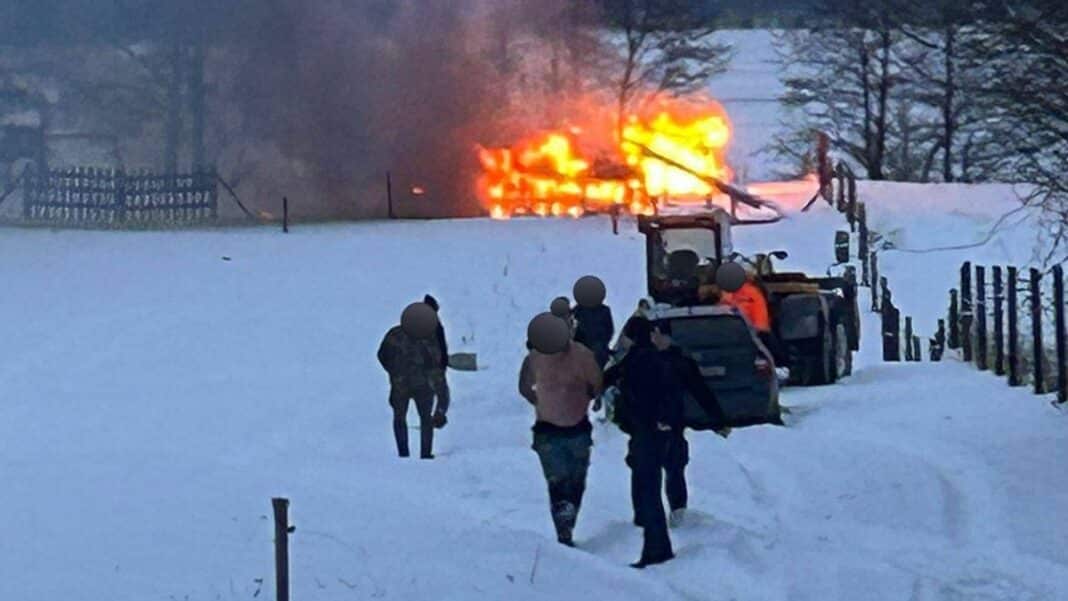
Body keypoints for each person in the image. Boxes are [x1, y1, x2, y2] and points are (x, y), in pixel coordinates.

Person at [604, 316, 728, 569]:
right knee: (654, 478)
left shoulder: (640, 360)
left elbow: (637, 391)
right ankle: (657, 526)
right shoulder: (649, 359)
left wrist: (660, 419)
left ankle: (658, 544)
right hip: (655, 430)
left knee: (652, 484)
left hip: (651, 431)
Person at [519, 316, 603, 547]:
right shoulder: (537, 357)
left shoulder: (581, 355)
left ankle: (566, 523)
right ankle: (564, 527)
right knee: (562, 481)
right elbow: (525, 387)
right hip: (555, 431)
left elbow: (596, 385)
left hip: (570, 430)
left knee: (569, 481)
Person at [650, 319, 730, 528]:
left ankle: (678, 515)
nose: (652, 338)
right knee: (649, 472)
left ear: (663, 335)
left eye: (655, 333)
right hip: (648, 426)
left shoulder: (680, 362)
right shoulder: (644, 360)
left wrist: (718, 420)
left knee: (674, 470)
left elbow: (700, 390)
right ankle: (649, 517)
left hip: (673, 424)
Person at [377, 304, 450, 459]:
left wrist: (393, 372)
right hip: (423, 387)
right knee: (425, 418)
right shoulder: (430, 341)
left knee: (399, 416)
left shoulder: (395, 334)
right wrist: (442, 405)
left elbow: (382, 355)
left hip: (400, 384)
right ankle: (425, 454)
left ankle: (403, 453)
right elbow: (438, 372)